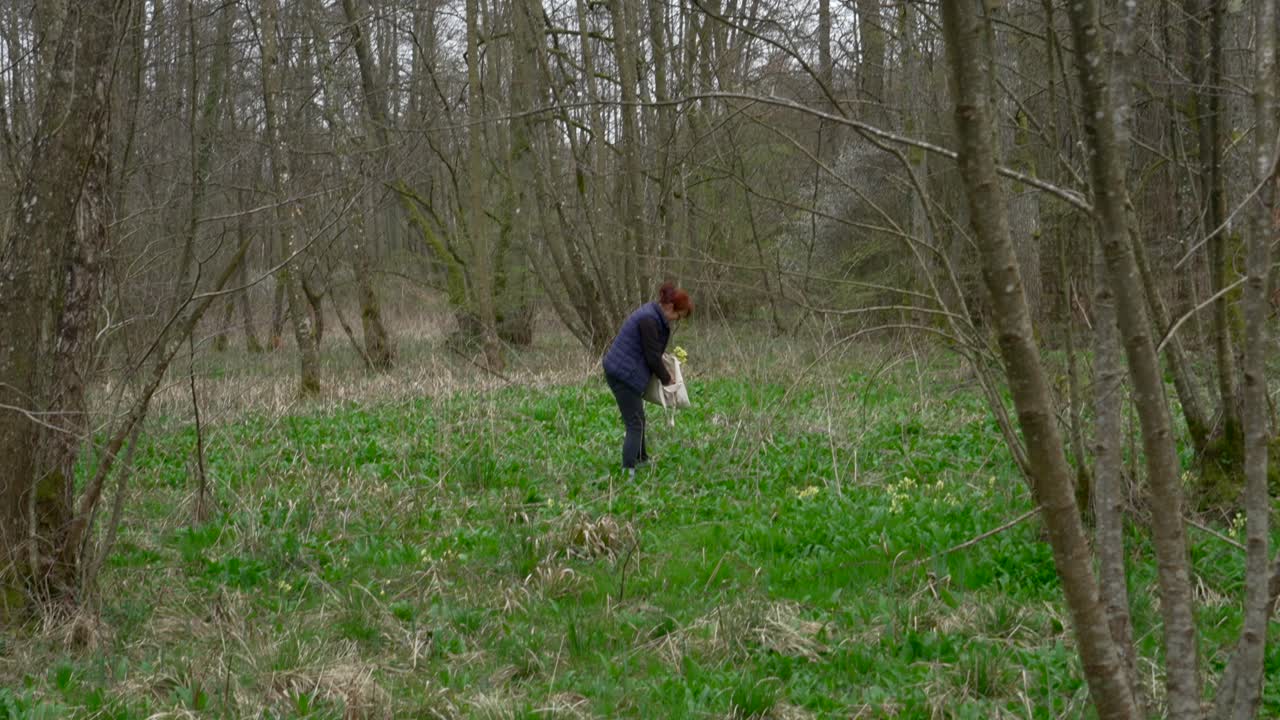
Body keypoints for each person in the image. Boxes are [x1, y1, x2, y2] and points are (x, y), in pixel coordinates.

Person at [602, 282, 694, 479]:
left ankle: (642, 459)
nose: (677, 320)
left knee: (639, 419)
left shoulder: (653, 315)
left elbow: (651, 351)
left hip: (624, 371)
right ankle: (628, 472)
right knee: (635, 423)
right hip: (622, 374)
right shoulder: (649, 319)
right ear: (670, 307)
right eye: (678, 315)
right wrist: (667, 379)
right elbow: (652, 357)